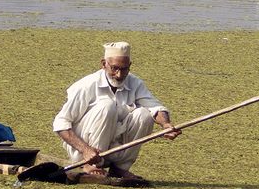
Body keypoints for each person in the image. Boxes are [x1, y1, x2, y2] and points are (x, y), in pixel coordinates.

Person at [52, 41, 180, 181]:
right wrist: (85, 150)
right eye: (114, 68)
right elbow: (60, 123)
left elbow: (155, 108)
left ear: (130, 66)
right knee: (107, 106)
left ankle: (120, 168)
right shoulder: (86, 86)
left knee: (144, 115)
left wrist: (166, 125)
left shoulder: (135, 83)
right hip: (85, 150)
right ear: (103, 64)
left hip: (115, 149)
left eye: (124, 69)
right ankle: (89, 165)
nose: (119, 75)